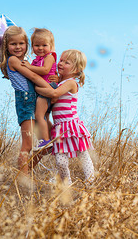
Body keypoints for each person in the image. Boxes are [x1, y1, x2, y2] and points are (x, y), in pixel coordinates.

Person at [35, 49, 95, 186]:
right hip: (59, 128)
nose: (60, 63)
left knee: (83, 155)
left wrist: (36, 89)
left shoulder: (71, 83)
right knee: (60, 161)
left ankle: (90, 182)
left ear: (76, 69)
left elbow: (54, 93)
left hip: (71, 125)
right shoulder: (62, 82)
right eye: (61, 60)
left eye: (66, 62)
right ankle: (66, 184)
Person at [0, 26, 52, 175]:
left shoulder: (27, 61)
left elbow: (40, 75)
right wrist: (52, 91)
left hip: (35, 102)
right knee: (27, 145)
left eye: (21, 43)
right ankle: (23, 178)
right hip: (25, 102)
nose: (17, 47)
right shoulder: (13, 60)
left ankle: (26, 172)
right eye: (13, 44)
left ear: (26, 45)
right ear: (6, 46)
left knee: (47, 144)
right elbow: (34, 77)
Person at [21, 28, 57, 150]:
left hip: (47, 87)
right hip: (43, 88)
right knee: (45, 117)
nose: (40, 48)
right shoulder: (36, 60)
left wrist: (29, 67)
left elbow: (45, 70)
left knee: (39, 115)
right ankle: (54, 137)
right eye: (37, 45)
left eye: (44, 45)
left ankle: (46, 141)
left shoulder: (50, 56)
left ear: (51, 46)